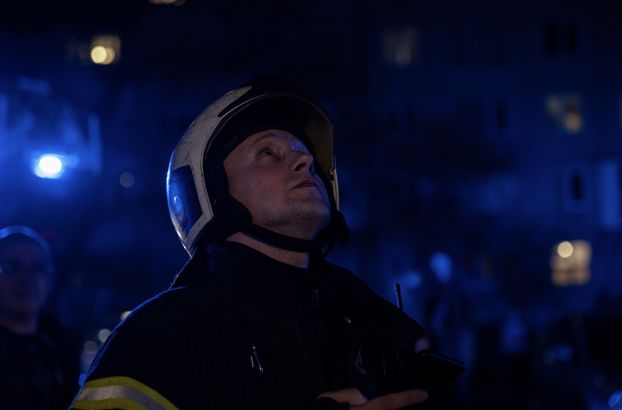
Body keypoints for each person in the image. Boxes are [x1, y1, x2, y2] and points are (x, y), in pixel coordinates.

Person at [71, 76, 459, 409]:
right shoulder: (161, 334)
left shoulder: (370, 328)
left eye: (306, 156)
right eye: (269, 153)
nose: (305, 163)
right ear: (212, 193)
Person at [0, 225, 81, 409]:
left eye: (38, 267)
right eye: (11, 267)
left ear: (50, 279)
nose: (27, 278)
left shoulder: (63, 347)